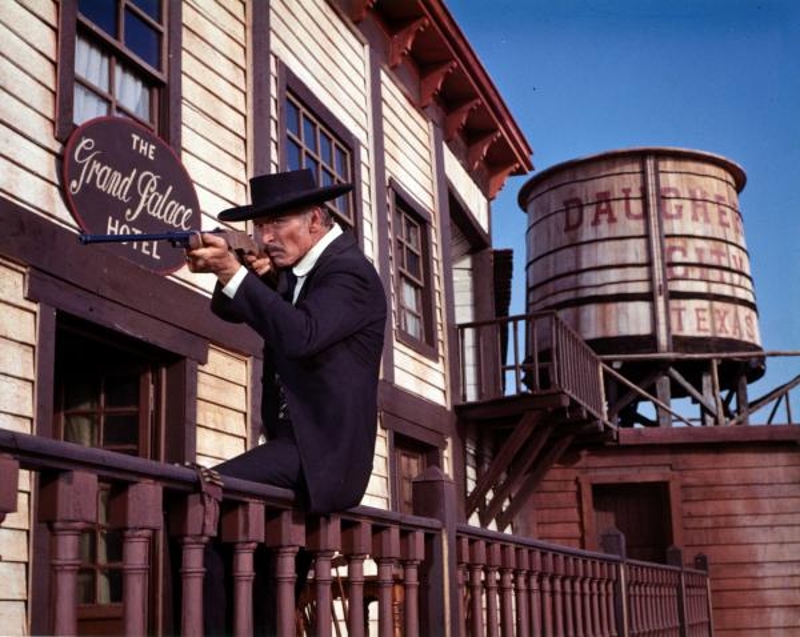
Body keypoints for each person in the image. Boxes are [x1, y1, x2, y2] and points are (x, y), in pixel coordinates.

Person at [185, 168, 387, 633]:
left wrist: (234, 271)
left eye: (277, 223)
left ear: (314, 219)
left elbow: (300, 334)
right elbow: (226, 308)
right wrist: (243, 269)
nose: (266, 236)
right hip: (296, 451)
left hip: (321, 456)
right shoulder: (296, 274)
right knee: (268, 575)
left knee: (202, 504)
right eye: (259, 226)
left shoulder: (348, 272)